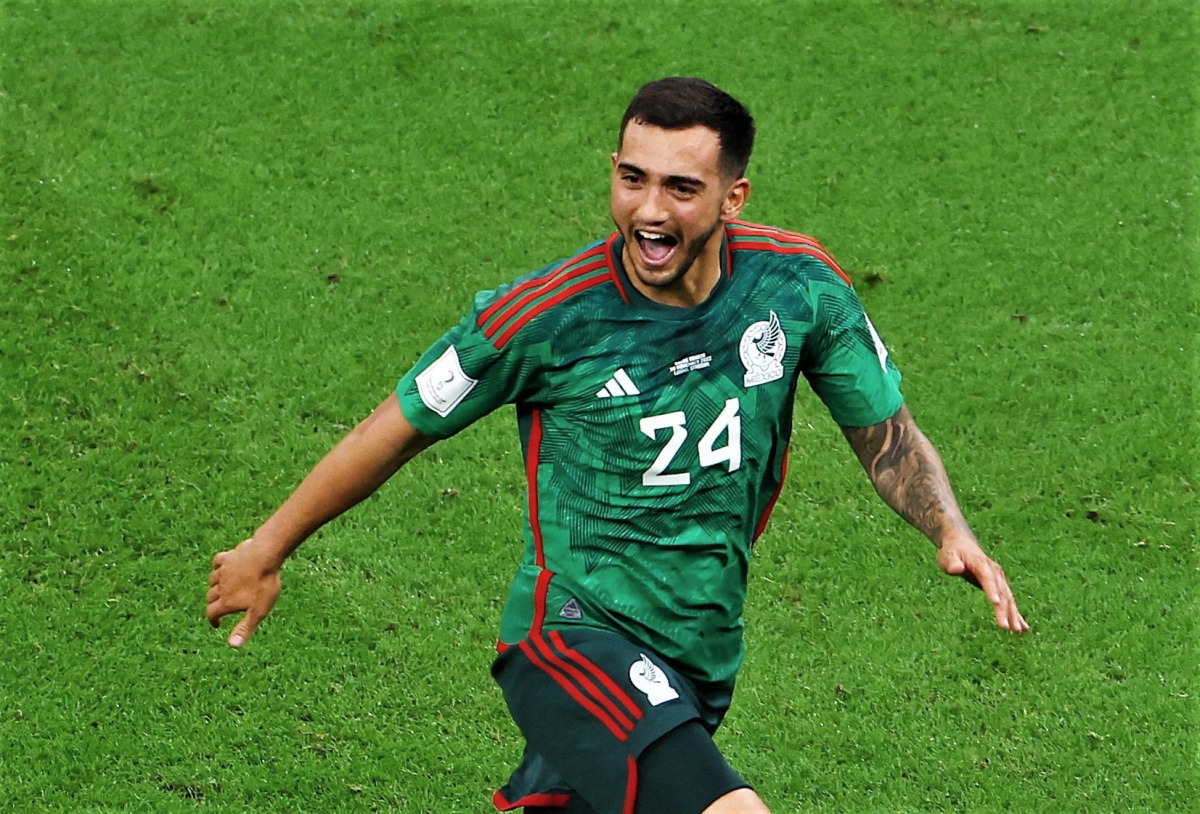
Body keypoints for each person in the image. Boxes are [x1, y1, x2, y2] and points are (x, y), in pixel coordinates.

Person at [206, 76, 1030, 814]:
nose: (649, 210)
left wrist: (948, 528)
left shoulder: (798, 285)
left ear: (732, 197)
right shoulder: (542, 318)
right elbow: (390, 432)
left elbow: (885, 432)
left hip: (699, 656)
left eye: (681, 187)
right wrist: (268, 546)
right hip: (569, 639)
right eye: (631, 179)